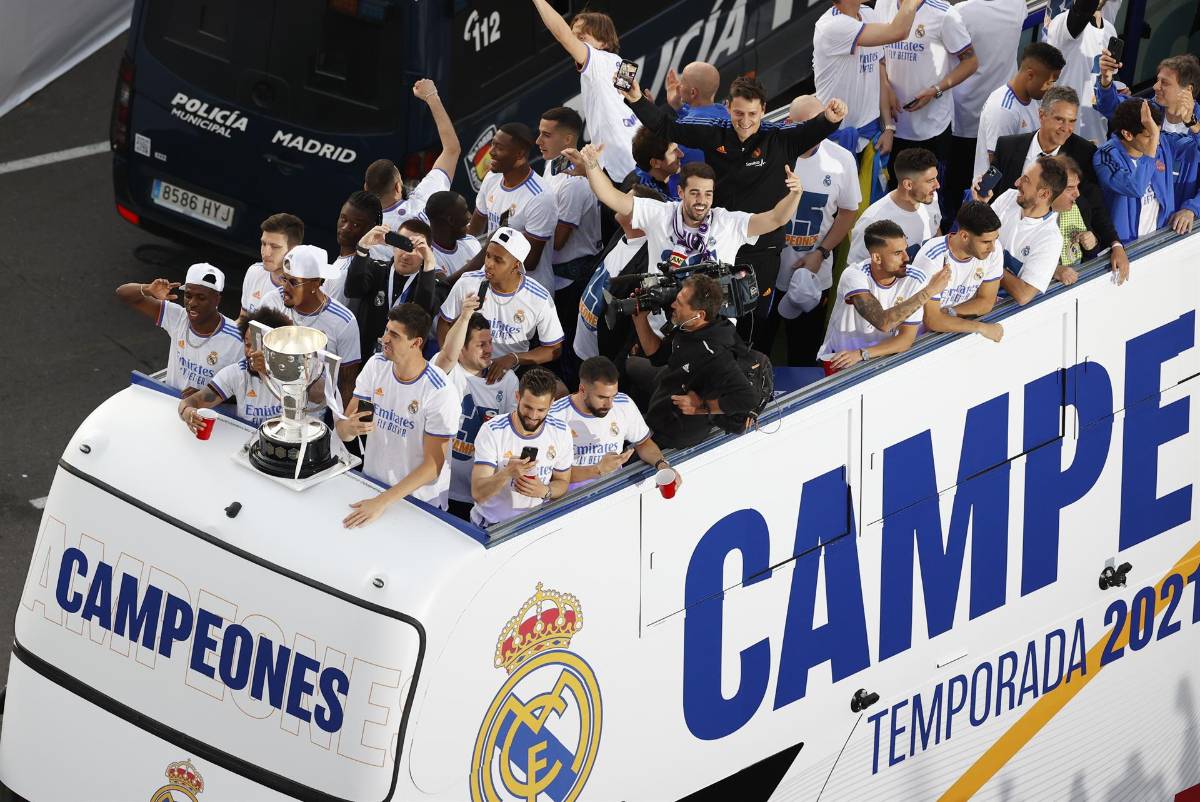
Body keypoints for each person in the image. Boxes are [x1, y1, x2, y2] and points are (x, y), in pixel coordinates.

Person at [618, 74, 846, 352]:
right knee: (713, 316)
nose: (745, 120)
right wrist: (636, 100)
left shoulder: (781, 139)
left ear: (764, 109)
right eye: (739, 112)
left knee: (755, 318)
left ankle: (750, 370)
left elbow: (817, 128)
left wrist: (833, 117)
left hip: (763, 247)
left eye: (752, 113)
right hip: (719, 245)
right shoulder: (715, 131)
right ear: (728, 108)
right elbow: (668, 127)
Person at [565, 144, 808, 279]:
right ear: (680, 192)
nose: (702, 201)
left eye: (708, 194)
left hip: (710, 326)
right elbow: (612, 197)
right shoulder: (661, 213)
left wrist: (795, 194)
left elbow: (776, 218)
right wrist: (592, 166)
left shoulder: (728, 223)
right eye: (695, 193)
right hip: (660, 325)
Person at [987, 86, 1130, 284]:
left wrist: (1115, 245)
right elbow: (992, 201)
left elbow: (1097, 206)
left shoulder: (1084, 153)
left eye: (1072, 121)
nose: (1066, 128)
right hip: (1005, 253)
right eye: (1059, 119)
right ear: (1042, 115)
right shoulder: (1008, 147)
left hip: (1059, 263)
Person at [337, 303, 461, 527]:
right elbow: (344, 432)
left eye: (394, 335)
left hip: (419, 504)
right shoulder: (376, 366)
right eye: (386, 330)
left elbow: (433, 467)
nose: (385, 339)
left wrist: (382, 502)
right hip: (373, 489)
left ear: (416, 343)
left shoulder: (439, 391)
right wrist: (348, 428)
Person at [628, 274, 762, 449]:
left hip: (679, 425)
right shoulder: (691, 326)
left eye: (679, 303)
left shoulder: (714, 354)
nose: (672, 305)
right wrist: (640, 320)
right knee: (630, 365)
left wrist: (701, 406)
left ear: (699, 314)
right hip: (674, 380)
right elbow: (658, 356)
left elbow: (749, 398)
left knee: (632, 450)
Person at [777, 95, 862, 366]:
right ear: (789, 123)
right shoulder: (773, 151)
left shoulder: (841, 160)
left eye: (819, 123)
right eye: (806, 125)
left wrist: (822, 252)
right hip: (770, 272)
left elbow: (849, 211)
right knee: (759, 342)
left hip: (814, 274)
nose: (813, 132)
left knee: (804, 351)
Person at [816, 220, 952, 373]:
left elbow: (905, 340)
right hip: (840, 359)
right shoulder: (854, 275)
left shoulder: (916, 279)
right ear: (877, 258)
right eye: (897, 253)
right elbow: (883, 322)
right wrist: (929, 291)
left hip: (879, 358)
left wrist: (863, 354)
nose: (907, 258)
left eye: (905, 250)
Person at [877, 0, 977, 197]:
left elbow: (971, 62)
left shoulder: (944, 14)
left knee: (928, 197)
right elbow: (879, 56)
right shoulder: (883, 5)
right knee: (893, 196)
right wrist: (886, 86)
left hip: (931, 131)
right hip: (891, 129)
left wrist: (936, 90)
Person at [530, 2, 637, 179]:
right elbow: (633, 106)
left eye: (581, 37)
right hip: (635, 160)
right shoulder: (620, 61)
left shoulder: (597, 60)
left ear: (603, 42)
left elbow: (562, 35)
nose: (574, 42)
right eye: (573, 36)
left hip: (622, 169)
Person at [438, 227, 564, 378]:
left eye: (498, 260)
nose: (489, 264)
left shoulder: (539, 298)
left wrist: (513, 358)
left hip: (512, 373)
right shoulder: (468, 282)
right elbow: (445, 322)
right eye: (488, 256)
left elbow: (553, 348)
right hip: (466, 369)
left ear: (516, 265)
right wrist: (451, 358)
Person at [945, 0, 1027, 226]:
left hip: (962, 119)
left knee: (954, 190)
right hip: (999, 119)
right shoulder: (1018, 6)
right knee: (988, 190)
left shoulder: (959, 13)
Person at [437, 302, 519, 521]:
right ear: (461, 348)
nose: (489, 349)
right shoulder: (445, 372)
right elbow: (446, 356)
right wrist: (464, 316)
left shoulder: (507, 380)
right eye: (481, 344)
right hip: (443, 488)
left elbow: (511, 432)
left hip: (482, 495)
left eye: (490, 342)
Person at [536, 106, 603, 372]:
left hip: (572, 283)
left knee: (567, 352)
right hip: (554, 277)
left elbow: (558, 240)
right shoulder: (552, 164)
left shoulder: (575, 184)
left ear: (567, 139)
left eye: (546, 135)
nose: (538, 141)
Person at [812, 0, 923, 156]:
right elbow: (899, 32)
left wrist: (888, 127)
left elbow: (878, 72)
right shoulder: (832, 26)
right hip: (835, 142)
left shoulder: (868, 14)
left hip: (871, 136)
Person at [115, 264, 242, 394]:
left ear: (217, 300)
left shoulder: (238, 339)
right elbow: (123, 293)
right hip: (169, 402)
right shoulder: (178, 317)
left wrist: (207, 396)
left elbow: (249, 392)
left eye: (201, 297)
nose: (192, 303)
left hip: (209, 412)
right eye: (188, 295)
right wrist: (147, 289)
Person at [549, 356, 674, 488]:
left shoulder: (623, 404)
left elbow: (643, 443)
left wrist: (662, 465)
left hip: (614, 491)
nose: (609, 404)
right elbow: (549, 475)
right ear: (582, 390)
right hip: (571, 500)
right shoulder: (555, 417)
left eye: (613, 396)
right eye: (602, 397)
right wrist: (597, 470)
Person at [471, 367, 573, 528]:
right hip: (492, 527)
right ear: (517, 397)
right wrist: (507, 473)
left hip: (535, 525)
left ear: (552, 403)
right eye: (528, 407)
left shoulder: (561, 431)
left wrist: (545, 491)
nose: (533, 416)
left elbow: (562, 482)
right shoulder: (493, 430)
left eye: (541, 410)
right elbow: (478, 493)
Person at [461, 123, 558, 291]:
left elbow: (530, 261)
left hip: (526, 292)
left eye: (499, 148)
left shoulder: (540, 197)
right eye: (492, 144)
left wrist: (483, 257)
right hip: (493, 282)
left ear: (519, 154)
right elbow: (475, 229)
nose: (491, 152)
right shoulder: (491, 178)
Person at [177, 307, 303, 431]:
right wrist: (188, 412)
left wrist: (270, 371)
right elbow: (191, 402)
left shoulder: (296, 371)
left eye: (260, 346)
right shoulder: (236, 373)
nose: (250, 352)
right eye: (247, 344)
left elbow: (318, 397)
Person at [1094, 99, 1200, 243]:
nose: (1156, 142)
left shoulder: (1164, 141)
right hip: (1126, 249)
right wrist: (1151, 154)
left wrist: (1192, 123)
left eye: (1157, 132)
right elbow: (1135, 188)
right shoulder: (1106, 156)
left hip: (1163, 241)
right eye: (1150, 135)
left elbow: (1194, 146)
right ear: (1127, 134)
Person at [363, 79, 462, 231]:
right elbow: (452, 149)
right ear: (398, 187)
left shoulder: (370, 234)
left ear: (365, 188)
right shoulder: (426, 197)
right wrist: (431, 96)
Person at [575, 185, 656, 362]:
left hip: (601, 361)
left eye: (626, 201)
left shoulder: (647, 265)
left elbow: (633, 327)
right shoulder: (621, 234)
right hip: (580, 345)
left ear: (642, 216)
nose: (619, 202)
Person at [346, 219, 443, 360]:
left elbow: (421, 315)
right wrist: (362, 247)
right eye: (403, 245)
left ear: (428, 251)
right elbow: (352, 291)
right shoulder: (375, 270)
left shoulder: (435, 286)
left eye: (416, 248)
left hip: (400, 366)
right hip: (362, 358)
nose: (406, 254)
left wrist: (429, 263)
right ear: (393, 246)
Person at [277, 244, 362, 402]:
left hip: (312, 416)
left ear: (315, 283)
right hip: (267, 403)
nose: (285, 288)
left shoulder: (344, 322)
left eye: (294, 282)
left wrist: (340, 424)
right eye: (284, 279)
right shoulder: (272, 301)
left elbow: (347, 383)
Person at [914, 201, 1005, 341]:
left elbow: (986, 301)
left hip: (954, 327)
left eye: (995, 240)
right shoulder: (932, 259)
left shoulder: (994, 249)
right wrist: (980, 327)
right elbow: (932, 320)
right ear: (964, 236)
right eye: (986, 242)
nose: (992, 248)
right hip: (923, 338)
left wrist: (952, 312)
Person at [973, 42, 1065, 181]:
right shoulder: (1003, 110)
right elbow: (998, 165)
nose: (1051, 88)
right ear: (1030, 75)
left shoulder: (1033, 100)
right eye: (1049, 82)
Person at [988, 156, 1068, 305]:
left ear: (1044, 194)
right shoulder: (1009, 197)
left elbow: (1024, 295)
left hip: (997, 309)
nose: (1017, 183)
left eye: (1026, 180)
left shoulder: (1050, 239)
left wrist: (988, 261)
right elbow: (974, 235)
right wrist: (979, 203)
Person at [847, 147, 942, 264]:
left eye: (935, 178)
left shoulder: (930, 198)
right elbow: (856, 270)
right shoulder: (872, 221)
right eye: (930, 181)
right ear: (908, 184)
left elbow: (935, 229)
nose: (937, 185)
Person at [1042, 0, 1114, 145]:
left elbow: (1100, 78)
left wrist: (1114, 86)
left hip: (1097, 132)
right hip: (1064, 132)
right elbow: (1083, 10)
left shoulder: (1110, 30)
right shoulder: (1063, 23)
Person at [240, 213, 304, 317]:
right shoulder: (254, 271)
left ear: (294, 250)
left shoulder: (305, 292)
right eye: (264, 244)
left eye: (274, 247)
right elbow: (243, 321)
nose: (266, 253)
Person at [328, 191, 382, 306]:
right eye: (343, 219)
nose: (345, 228)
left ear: (371, 229)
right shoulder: (344, 262)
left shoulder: (345, 273)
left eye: (356, 225)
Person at [424, 190, 481, 276]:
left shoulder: (472, 242)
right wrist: (483, 255)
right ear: (451, 220)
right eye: (465, 212)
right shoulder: (425, 257)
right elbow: (443, 286)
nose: (470, 216)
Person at [630, 127, 683, 201]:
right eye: (673, 151)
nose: (681, 155)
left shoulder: (651, 179)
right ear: (655, 163)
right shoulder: (641, 192)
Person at [663, 62, 728, 122]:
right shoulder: (723, 110)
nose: (679, 85)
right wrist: (677, 105)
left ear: (693, 92)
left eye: (682, 82)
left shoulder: (690, 123)